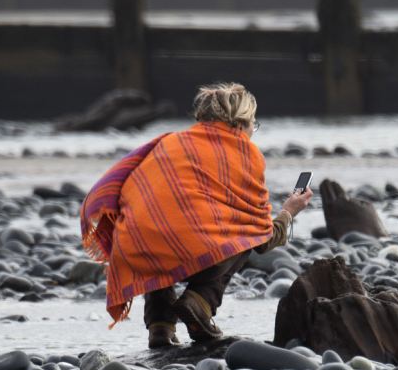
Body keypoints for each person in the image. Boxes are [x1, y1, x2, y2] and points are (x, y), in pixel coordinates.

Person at [80, 83, 312, 348]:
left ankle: (160, 325)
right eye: (252, 124)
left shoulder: (168, 143)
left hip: (135, 245)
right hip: (185, 245)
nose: (252, 132)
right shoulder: (244, 153)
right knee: (241, 238)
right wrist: (289, 211)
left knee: (154, 228)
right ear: (239, 123)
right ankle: (199, 303)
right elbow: (263, 239)